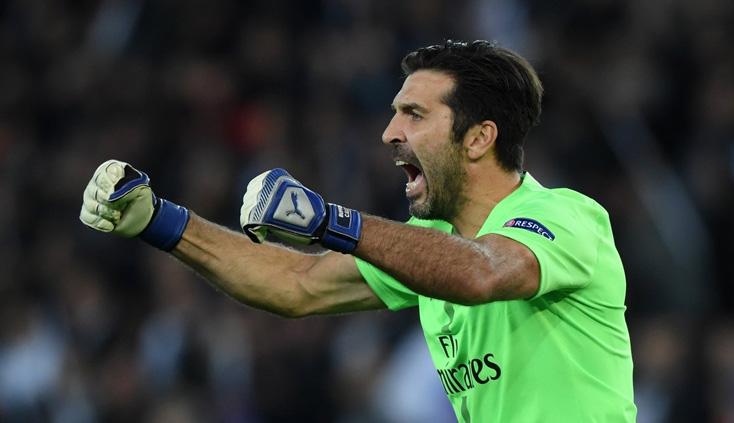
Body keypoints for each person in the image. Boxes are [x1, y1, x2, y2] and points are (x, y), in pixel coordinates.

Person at [80, 40, 636, 422]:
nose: (390, 131)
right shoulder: (436, 248)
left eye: (415, 115)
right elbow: (297, 283)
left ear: (478, 138)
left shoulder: (565, 215)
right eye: (396, 113)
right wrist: (160, 221)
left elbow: (482, 271)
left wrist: (329, 221)